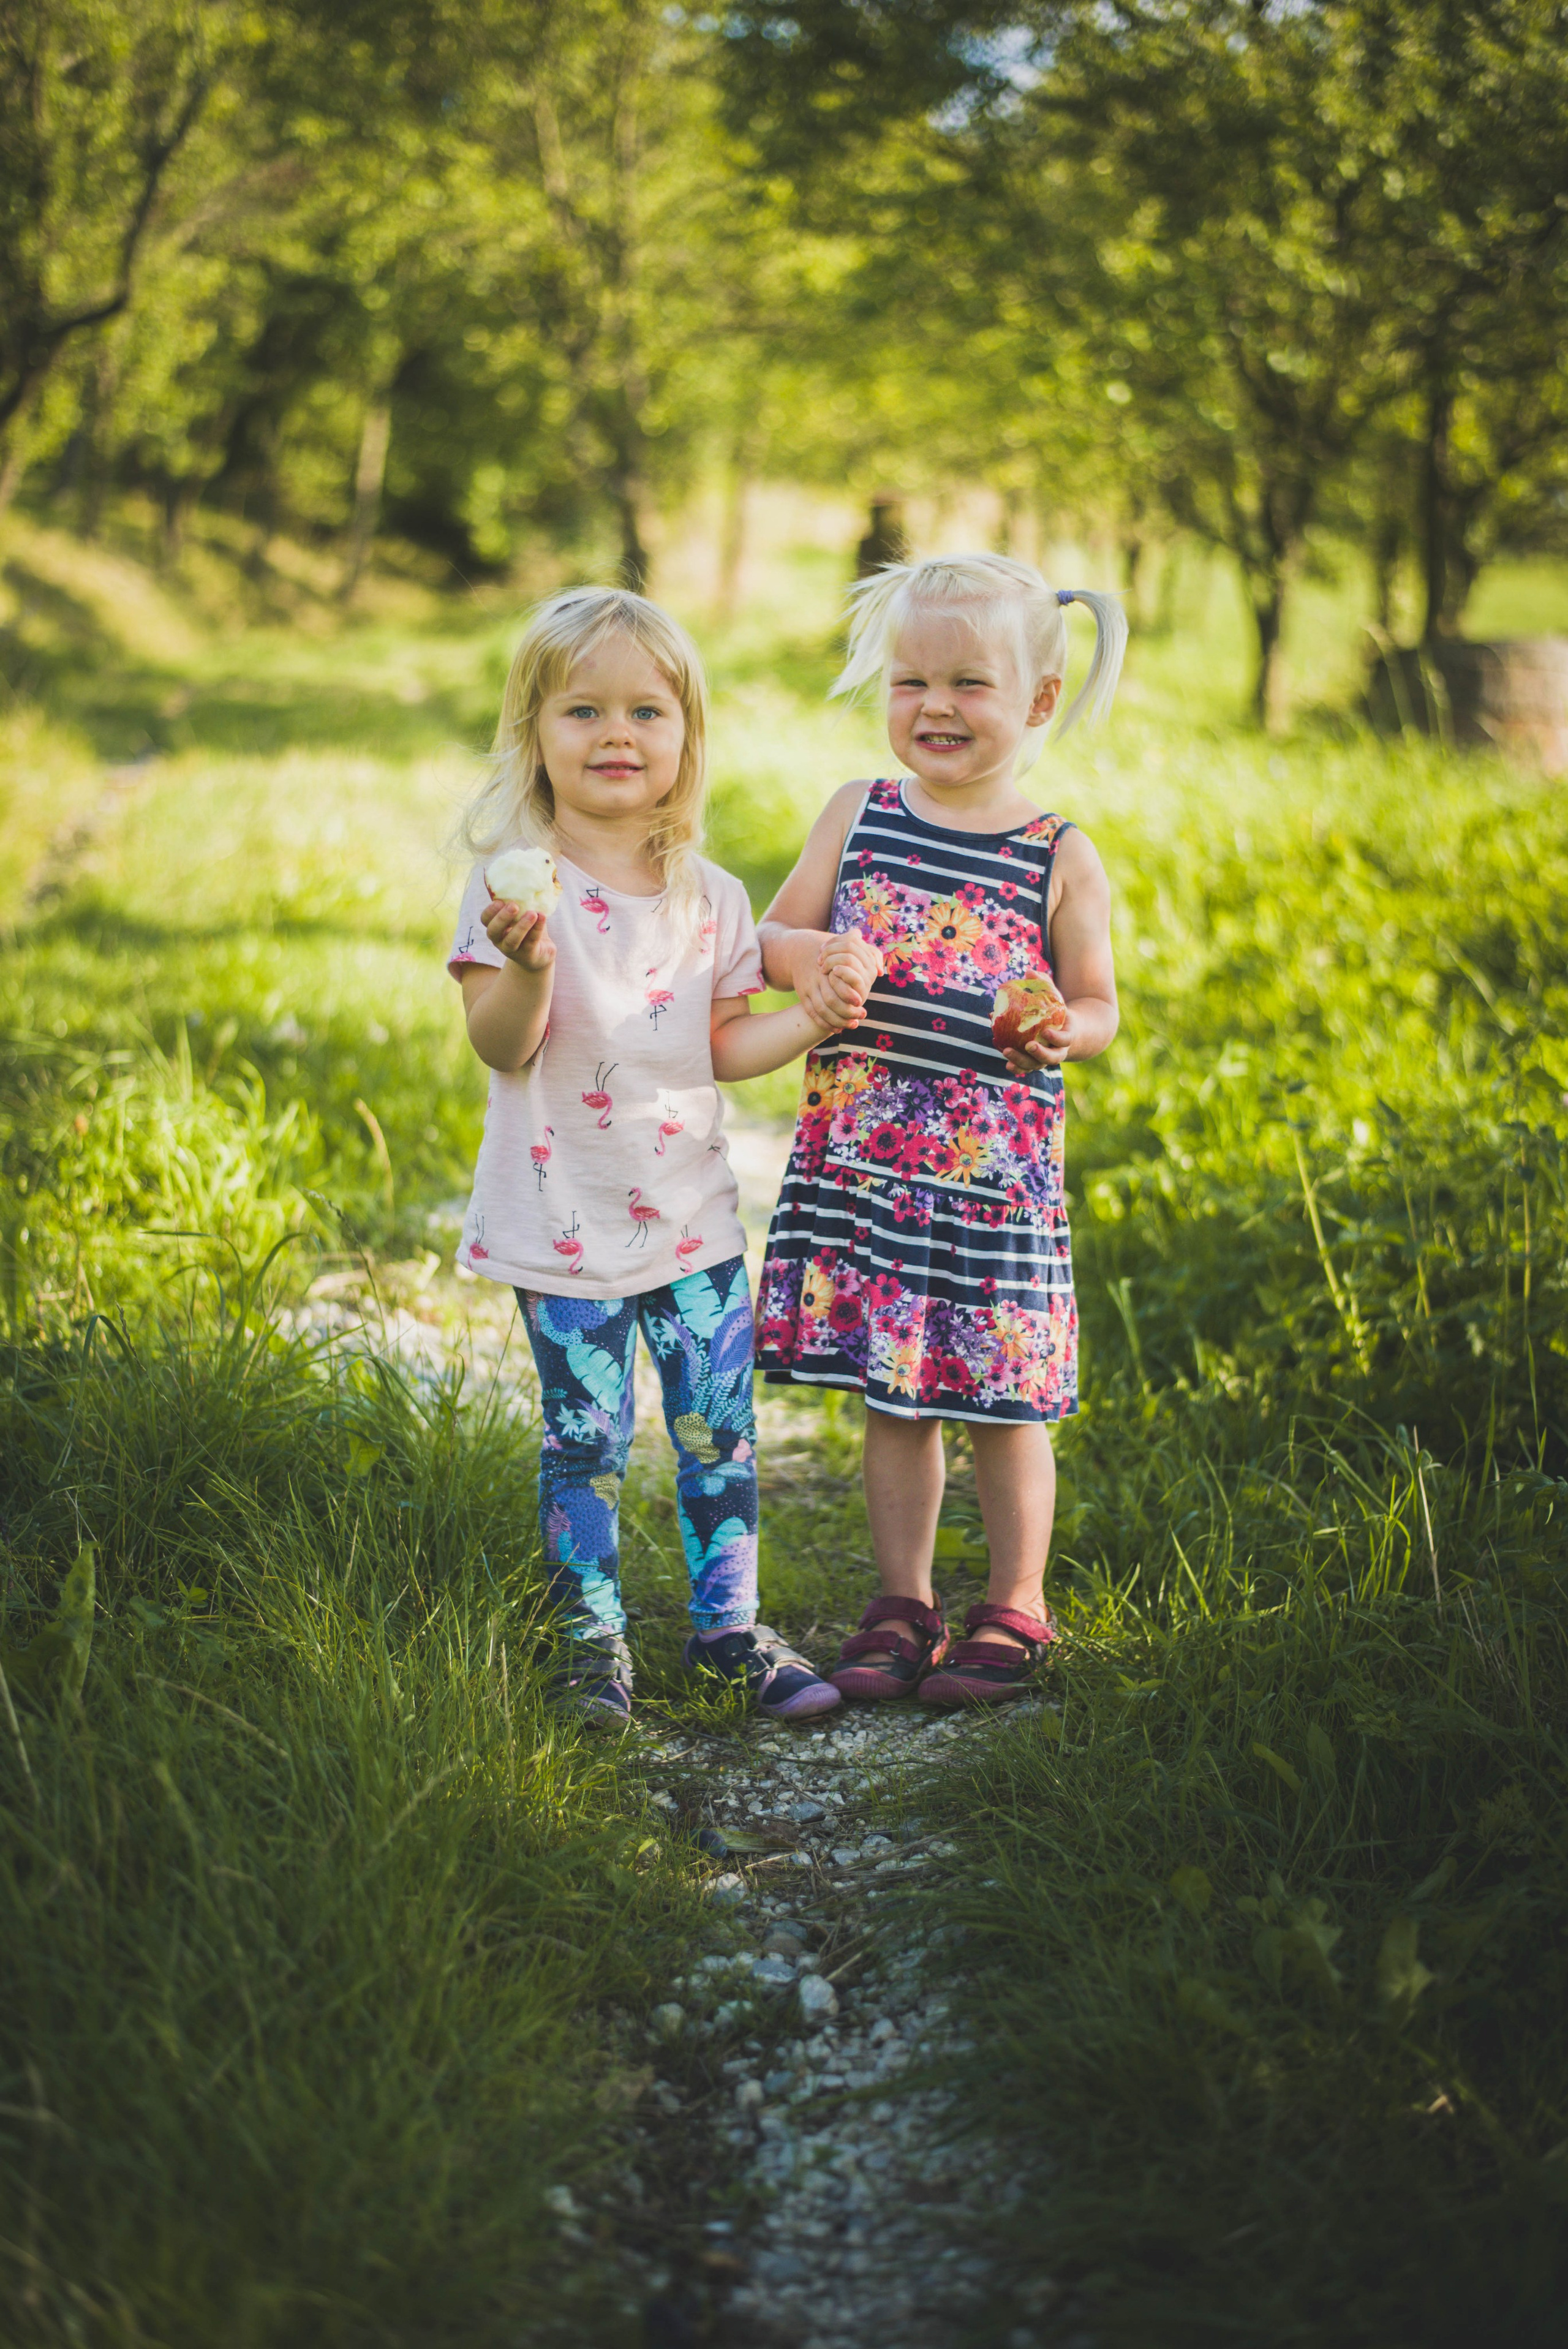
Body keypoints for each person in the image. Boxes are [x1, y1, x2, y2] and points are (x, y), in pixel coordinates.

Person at [448, 587, 869, 1726]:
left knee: (717, 1437)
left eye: (646, 711)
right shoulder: (510, 888)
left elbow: (725, 1047)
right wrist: (529, 964)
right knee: (583, 1440)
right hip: (563, 1223)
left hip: (693, 1224)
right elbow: (502, 1044)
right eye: (583, 710)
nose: (617, 735)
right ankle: (589, 1644)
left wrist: (814, 1017)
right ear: (535, 733)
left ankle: (728, 1633)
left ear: (686, 739)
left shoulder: (714, 898)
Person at [754, 554, 1126, 1703]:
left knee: (1006, 1400)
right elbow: (770, 936)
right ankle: (903, 1600)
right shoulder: (857, 814)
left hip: (994, 1182)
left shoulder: (1057, 852)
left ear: (1038, 701)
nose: (936, 708)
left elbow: (1102, 1003)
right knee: (897, 1393)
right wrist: (817, 962)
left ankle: (1018, 1600)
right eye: (911, 682)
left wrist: (1066, 1026)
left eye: (969, 684)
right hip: (872, 1169)